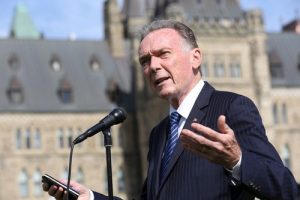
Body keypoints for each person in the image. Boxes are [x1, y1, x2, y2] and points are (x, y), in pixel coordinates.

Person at [43, 19, 299, 200]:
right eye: (145, 60)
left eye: (163, 54)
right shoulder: (159, 134)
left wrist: (237, 160)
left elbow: (287, 190)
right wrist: (89, 198)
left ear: (195, 57)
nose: (153, 66)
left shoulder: (233, 107)